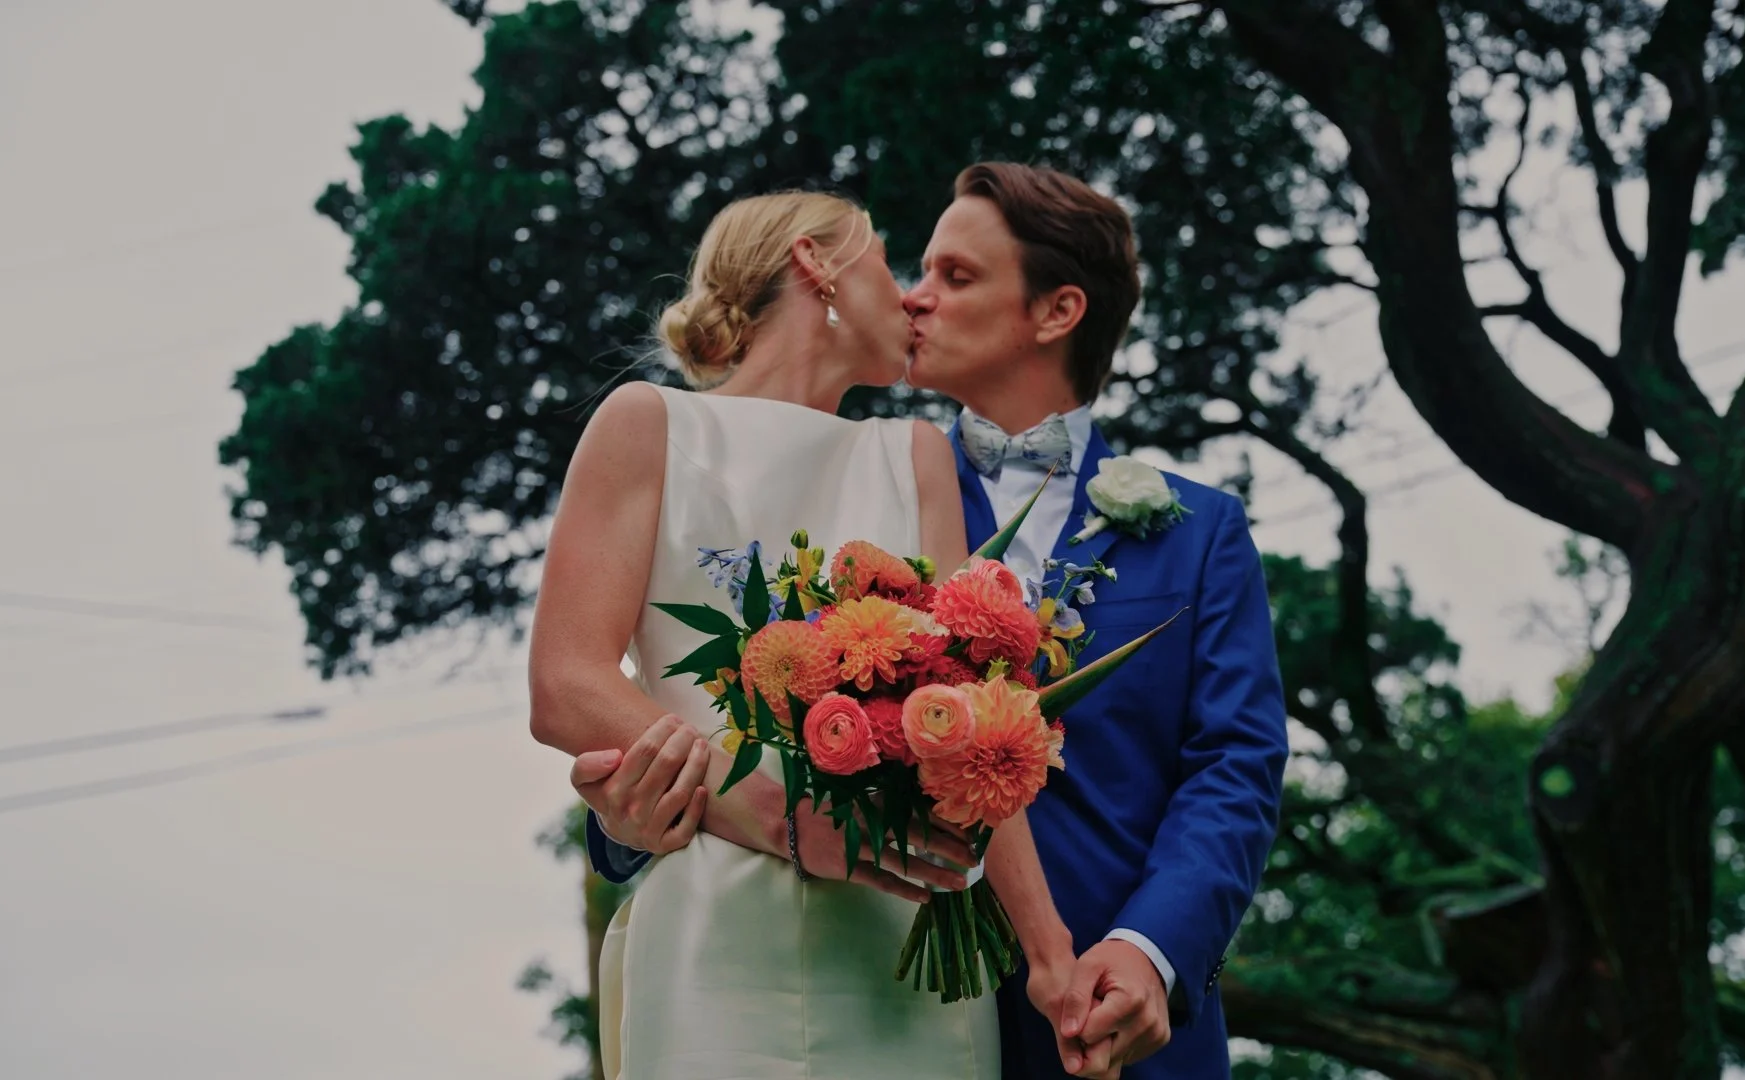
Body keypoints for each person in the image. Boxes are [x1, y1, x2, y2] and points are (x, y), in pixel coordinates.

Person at [579, 163, 1290, 1080]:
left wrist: (1153, 950)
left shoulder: (1203, 534)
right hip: (878, 1001)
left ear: (1055, 312)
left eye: (955, 277)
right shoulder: (854, 483)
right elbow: (717, 695)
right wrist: (631, 820)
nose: (915, 299)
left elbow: (1234, 768)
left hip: (1115, 1025)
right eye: (913, 271)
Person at [527, 189, 1069, 1080]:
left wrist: (1051, 956)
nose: (910, 298)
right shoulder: (649, 424)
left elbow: (978, 728)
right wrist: (777, 815)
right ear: (816, 262)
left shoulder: (916, 456)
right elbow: (566, 683)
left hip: (905, 937)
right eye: (888, 262)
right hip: (717, 926)